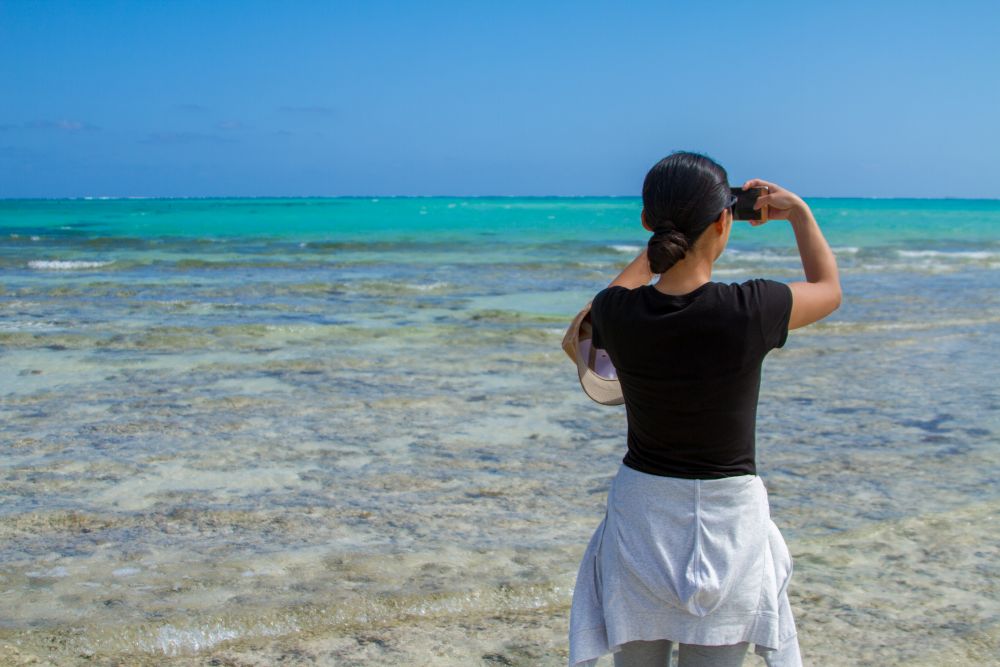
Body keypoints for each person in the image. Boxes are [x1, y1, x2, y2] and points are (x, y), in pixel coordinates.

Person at [568, 151, 841, 667]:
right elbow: (828, 290)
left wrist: (662, 242)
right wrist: (800, 215)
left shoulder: (615, 312)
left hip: (642, 517)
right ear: (723, 221)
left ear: (647, 222)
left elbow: (611, 296)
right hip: (728, 523)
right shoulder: (752, 308)